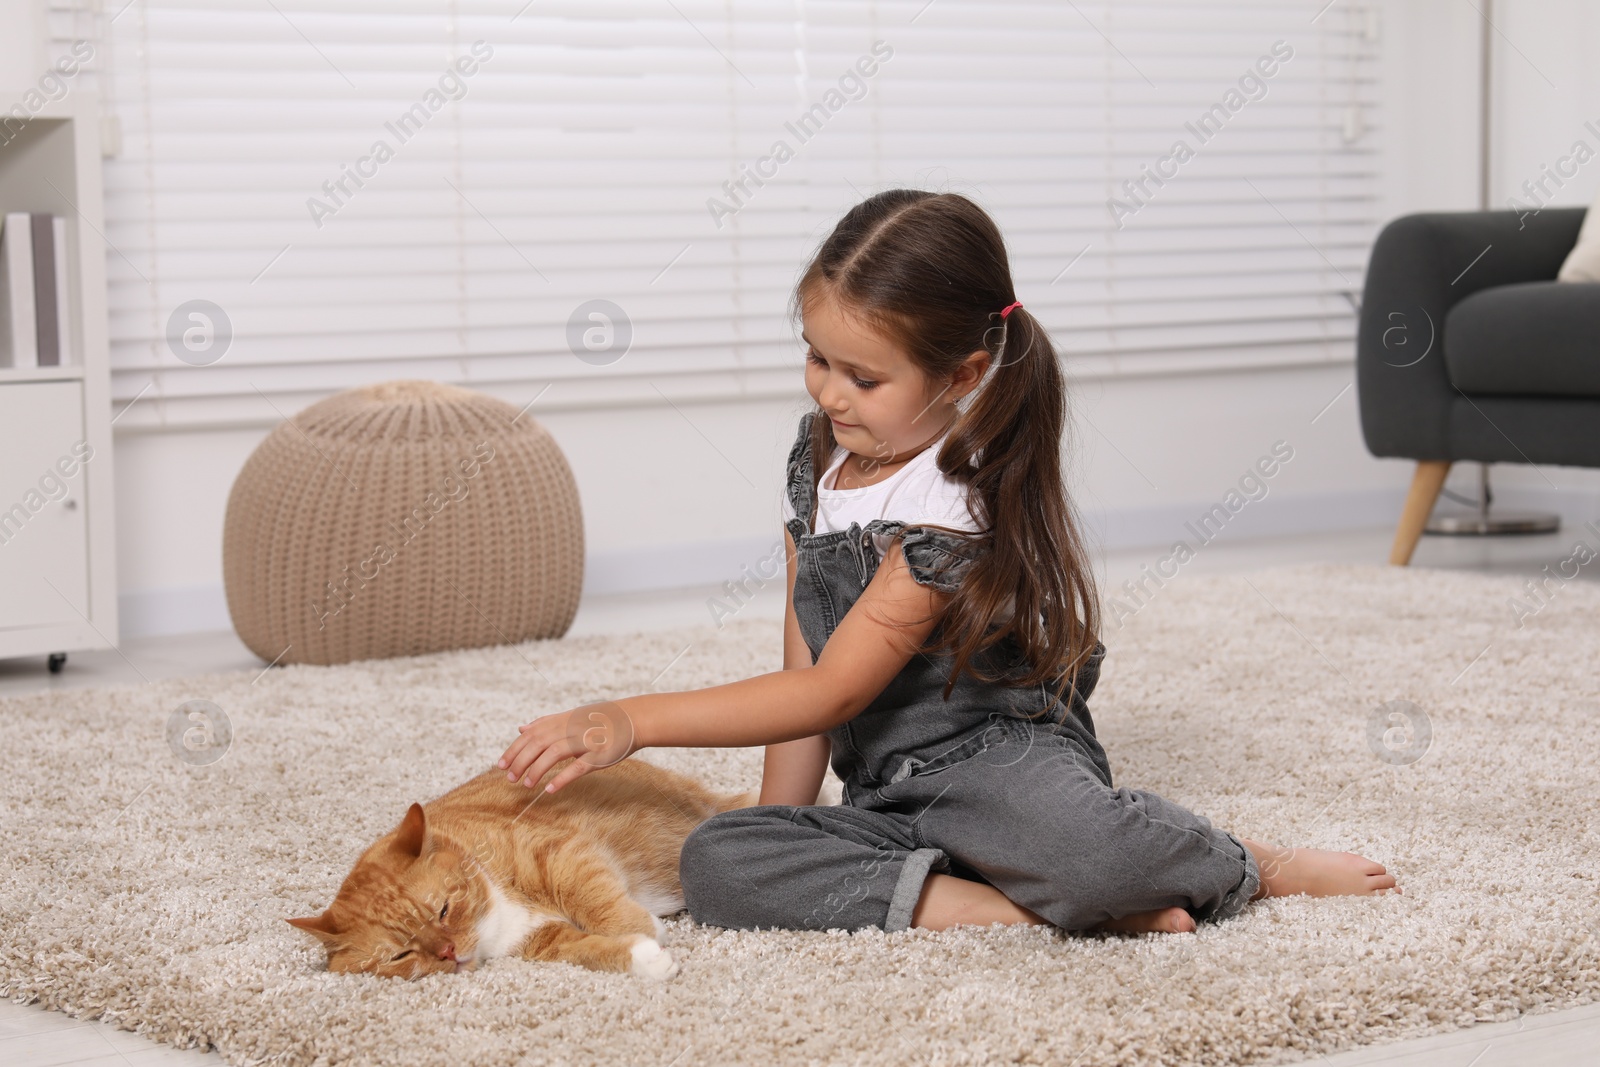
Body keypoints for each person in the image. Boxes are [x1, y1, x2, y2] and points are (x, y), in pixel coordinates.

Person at [498, 189, 1398, 935]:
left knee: (1093, 855)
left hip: (1002, 765)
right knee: (721, 861)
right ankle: (1010, 907)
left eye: (863, 376)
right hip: (886, 792)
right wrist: (782, 820)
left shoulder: (953, 503)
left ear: (962, 374)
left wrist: (631, 718)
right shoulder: (817, 461)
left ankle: (1246, 865)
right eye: (817, 357)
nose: (828, 391)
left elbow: (835, 694)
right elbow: (803, 660)